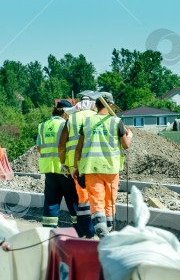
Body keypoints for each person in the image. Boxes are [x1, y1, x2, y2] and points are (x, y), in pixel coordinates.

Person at [73, 92, 132, 238]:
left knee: (96, 201)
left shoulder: (87, 122)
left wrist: (76, 167)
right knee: (110, 202)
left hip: (91, 168)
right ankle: (110, 232)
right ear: (110, 105)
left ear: (96, 105)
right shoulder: (116, 122)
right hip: (111, 168)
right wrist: (129, 135)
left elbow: (79, 148)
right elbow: (126, 145)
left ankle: (102, 232)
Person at [59, 92, 97, 238]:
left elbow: (62, 143)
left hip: (76, 165)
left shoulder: (72, 118)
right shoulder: (97, 117)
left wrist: (63, 163)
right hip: (95, 163)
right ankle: (99, 227)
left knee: (82, 200)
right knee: (97, 197)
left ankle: (86, 231)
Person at [38, 100, 78, 228]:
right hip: (65, 168)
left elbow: (39, 147)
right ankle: (80, 231)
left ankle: (48, 231)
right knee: (73, 201)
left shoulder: (43, 125)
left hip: (49, 169)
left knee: (51, 201)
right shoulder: (66, 125)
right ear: (66, 113)